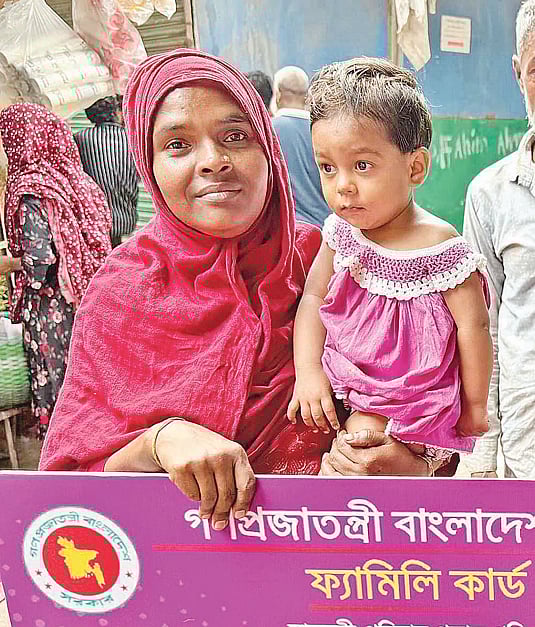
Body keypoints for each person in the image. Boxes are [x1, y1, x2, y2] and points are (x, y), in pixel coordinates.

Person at [40, 50, 456, 533]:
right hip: (178, 570)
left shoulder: (337, 263)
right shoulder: (122, 292)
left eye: (235, 136)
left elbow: (429, 396)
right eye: (177, 144)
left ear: (268, 148)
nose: (213, 162)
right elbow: (69, 487)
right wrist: (159, 441)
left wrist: (415, 463)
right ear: (148, 166)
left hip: (338, 558)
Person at [287, 58, 493, 475]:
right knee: (351, 464)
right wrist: (307, 373)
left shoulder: (443, 250)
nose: (342, 185)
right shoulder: (341, 234)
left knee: (380, 470)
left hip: (421, 404)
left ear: (415, 167)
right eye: (328, 168)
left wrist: (473, 407)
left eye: (362, 166)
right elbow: (312, 299)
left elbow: (475, 329)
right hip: (355, 394)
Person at [0, 103, 112, 438]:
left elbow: (41, 262)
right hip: (91, 301)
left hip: (53, 310)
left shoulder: (30, 190)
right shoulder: (79, 182)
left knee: (62, 391)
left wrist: (9, 264)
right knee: (90, 386)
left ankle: (67, 456)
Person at [462, 0, 535, 479]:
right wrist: (482, 459)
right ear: (517, 74)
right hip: (528, 447)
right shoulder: (491, 194)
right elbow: (481, 327)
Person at [74, 96, 139, 248]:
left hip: (95, 222)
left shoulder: (81, 138)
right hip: (126, 221)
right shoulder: (132, 140)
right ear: (116, 113)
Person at [272, 66, 330, 226]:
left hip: (289, 229)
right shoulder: (324, 130)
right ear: (307, 96)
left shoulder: (269, 131)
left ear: (278, 94)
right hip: (325, 227)